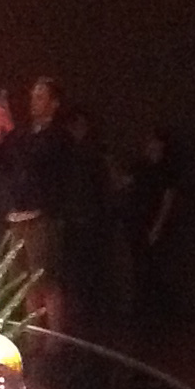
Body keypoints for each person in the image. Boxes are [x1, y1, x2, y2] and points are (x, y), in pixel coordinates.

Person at [0, 75, 73, 330]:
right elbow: (5, 162)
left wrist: (10, 127)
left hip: (41, 217)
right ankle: (34, 338)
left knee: (46, 281)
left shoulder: (58, 136)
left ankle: (54, 341)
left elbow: (35, 157)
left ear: (54, 103)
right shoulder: (27, 135)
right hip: (19, 215)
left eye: (41, 97)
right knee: (27, 283)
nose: (34, 102)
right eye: (33, 97)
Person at [58, 103, 112, 329]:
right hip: (78, 219)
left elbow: (98, 187)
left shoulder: (89, 155)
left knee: (84, 270)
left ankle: (85, 316)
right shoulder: (78, 154)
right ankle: (81, 316)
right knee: (77, 270)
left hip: (85, 219)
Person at [120, 126, 180, 321]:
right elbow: (125, 183)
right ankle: (141, 310)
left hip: (155, 224)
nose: (151, 146)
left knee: (155, 268)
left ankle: (157, 311)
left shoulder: (167, 169)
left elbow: (168, 200)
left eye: (155, 143)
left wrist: (157, 227)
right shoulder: (140, 165)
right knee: (138, 267)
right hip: (136, 223)